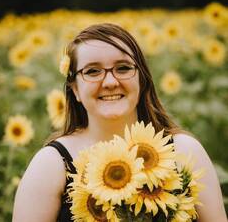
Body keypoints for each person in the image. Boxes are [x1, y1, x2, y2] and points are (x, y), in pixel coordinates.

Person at [12, 23, 227, 222]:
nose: (110, 82)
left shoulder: (184, 152)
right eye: (92, 71)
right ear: (75, 89)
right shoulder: (51, 165)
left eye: (123, 68)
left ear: (141, 79)